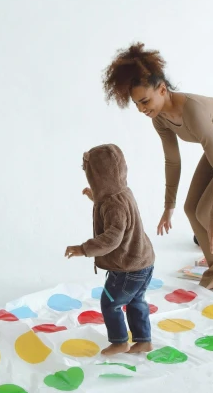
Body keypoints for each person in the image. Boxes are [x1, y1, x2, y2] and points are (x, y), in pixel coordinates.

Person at [102, 43, 213, 295]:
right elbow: (173, 161)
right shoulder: (159, 117)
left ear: (162, 89)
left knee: (207, 211)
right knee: (192, 209)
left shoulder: (192, 111)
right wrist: (169, 206)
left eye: (145, 101)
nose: (142, 109)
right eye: (137, 104)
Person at [64, 144, 155, 355]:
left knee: (110, 303)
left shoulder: (112, 205)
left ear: (97, 176)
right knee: (136, 301)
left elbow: (112, 239)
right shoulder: (123, 193)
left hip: (127, 268)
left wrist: (83, 249)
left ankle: (120, 341)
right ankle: (143, 340)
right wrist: (95, 198)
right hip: (144, 262)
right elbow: (119, 214)